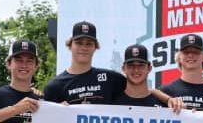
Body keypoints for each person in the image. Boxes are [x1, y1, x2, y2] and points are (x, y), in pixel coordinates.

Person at [44, 21, 180, 109]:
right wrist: (58, 112)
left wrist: (168, 99)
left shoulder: (109, 78)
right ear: (70, 45)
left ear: (95, 47)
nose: (83, 48)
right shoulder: (55, 86)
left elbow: (140, 87)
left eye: (89, 44)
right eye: (79, 43)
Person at [159, 34, 203, 110]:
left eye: (196, 52)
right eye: (186, 52)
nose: (191, 55)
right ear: (179, 57)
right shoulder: (165, 92)